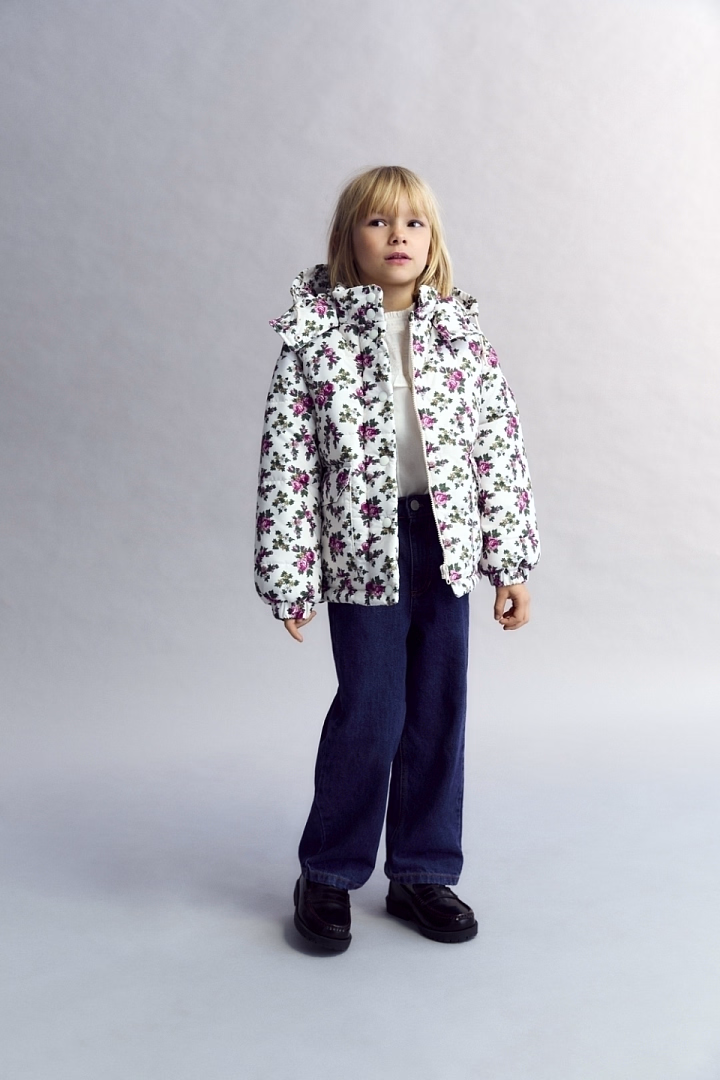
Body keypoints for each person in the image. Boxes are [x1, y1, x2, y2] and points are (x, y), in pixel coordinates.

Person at [254, 165, 540, 952]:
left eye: (413, 223)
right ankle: (329, 872)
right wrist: (291, 579)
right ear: (349, 238)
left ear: (432, 239)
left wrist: (509, 563)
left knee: (438, 710)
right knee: (371, 712)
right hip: (362, 550)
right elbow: (290, 466)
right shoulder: (316, 341)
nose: (398, 237)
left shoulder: (460, 339)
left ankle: (422, 870)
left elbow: (497, 450)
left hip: (445, 547)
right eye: (378, 222)